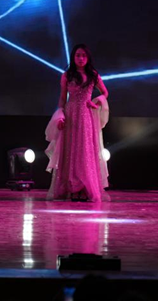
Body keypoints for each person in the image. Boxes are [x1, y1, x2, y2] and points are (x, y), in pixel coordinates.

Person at [45, 44, 109, 202]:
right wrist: (60, 116)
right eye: (78, 55)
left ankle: (84, 188)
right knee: (70, 151)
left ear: (88, 58)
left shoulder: (93, 75)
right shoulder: (67, 75)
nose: (81, 58)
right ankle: (72, 187)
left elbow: (105, 92)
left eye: (83, 55)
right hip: (70, 114)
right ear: (73, 57)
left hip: (86, 116)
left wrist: (96, 102)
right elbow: (62, 98)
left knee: (85, 151)